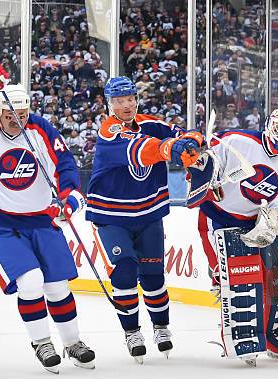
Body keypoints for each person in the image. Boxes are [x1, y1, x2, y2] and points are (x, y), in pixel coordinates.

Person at [0, 62, 95, 374]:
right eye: (11, 116)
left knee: (57, 286)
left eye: (22, 115)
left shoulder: (39, 130)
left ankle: (72, 341)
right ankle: (42, 342)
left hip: (40, 219)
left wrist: (70, 196)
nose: (17, 121)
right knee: (31, 281)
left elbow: (62, 163)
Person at [86, 76, 203, 363]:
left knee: (153, 276)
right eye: (119, 100)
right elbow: (142, 150)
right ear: (109, 103)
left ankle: (161, 328)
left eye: (130, 99)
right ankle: (132, 332)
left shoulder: (151, 123)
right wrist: (170, 149)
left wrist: (191, 141)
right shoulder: (109, 130)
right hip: (111, 214)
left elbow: (187, 133)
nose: (126, 105)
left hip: (148, 212)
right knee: (125, 270)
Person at [195, 107, 278, 362]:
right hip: (218, 217)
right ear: (269, 124)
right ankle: (239, 331)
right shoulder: (236, 141)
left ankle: (274, 333)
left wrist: (275, 221)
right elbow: (205, 161)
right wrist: (206, 177)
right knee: (233, 277)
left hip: (254, 223)